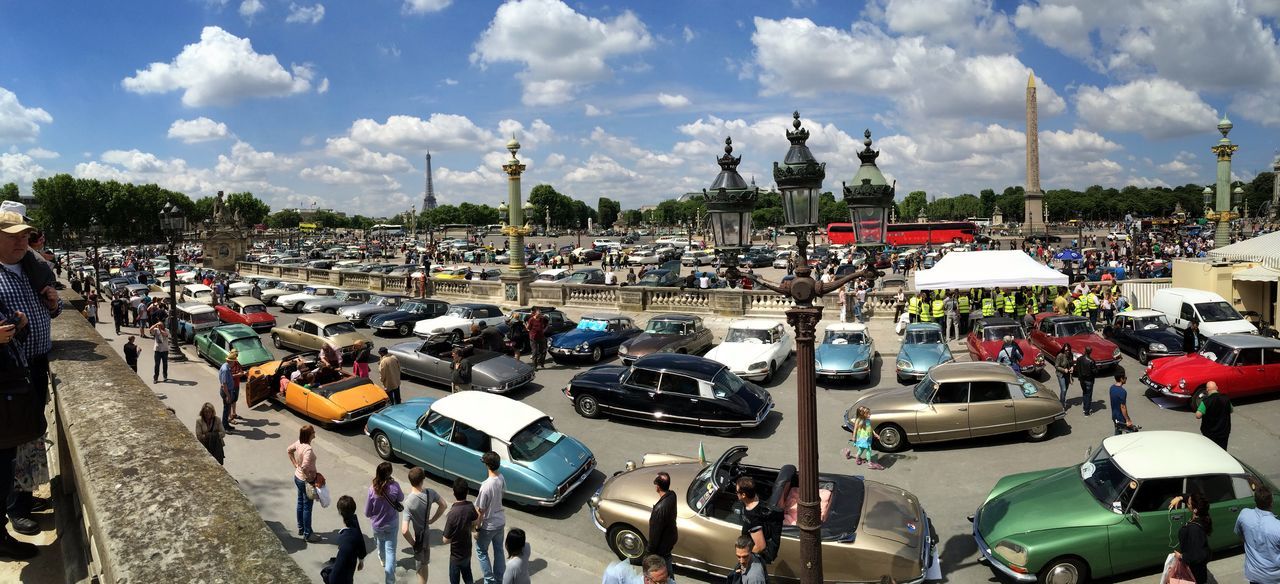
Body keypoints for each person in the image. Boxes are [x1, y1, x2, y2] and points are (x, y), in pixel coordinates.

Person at [403, 466, 446, 584]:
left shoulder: (408, 503)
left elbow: (404, 530)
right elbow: (443, 505)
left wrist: (413, 543)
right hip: (426, 534)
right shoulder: (430, 493)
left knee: (419, 564)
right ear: (422, 480)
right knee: (424, 564)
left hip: (418, 537)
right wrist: (432, 520)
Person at [365, 461, 405, 584]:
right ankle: (390, 580)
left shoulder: (372, 489)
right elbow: (401, 498)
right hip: (392, 523)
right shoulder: (395, 486)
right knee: (391, 551)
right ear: (390, 473)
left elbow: (367, 512)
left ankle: (382, 559)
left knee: (380, 542)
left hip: (377, 524)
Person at [1235, 483, 1280, 583]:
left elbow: (1240, 535)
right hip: (1274, 579)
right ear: (1271, 502)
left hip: (1254, 575)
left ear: (1255, 500)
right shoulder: (1277, 526)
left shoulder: (1244, 515)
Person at [1165, 492, 1213, 583]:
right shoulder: (1202, 518)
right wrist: (1180, 498)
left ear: (1195, 510)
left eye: (1188, 503)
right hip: (1195, 572)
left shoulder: (1194, 529)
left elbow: (1199, 555)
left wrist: (1182, 556)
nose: (1187, 502)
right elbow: (1190, 496)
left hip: (1194, 575)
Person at [475, 451, 507, 584]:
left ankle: (489, 580)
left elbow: (481, 510)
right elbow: (502, 495)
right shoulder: (501, 478)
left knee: (481, 551)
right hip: (500, 521)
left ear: (487, 465)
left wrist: (477, 528)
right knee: (499, 550)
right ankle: (499, 579)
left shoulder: (486, 485)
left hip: (489, 525)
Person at [735, 476, 781, 566]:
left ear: (744, 495)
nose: (736, 494)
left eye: (737, 492)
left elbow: (760, 546)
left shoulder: (753, 517)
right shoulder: (755, 497)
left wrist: (745, 560)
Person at [442, 476, 479, 584]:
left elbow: (445, 540)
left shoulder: (452, 513)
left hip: (456, 556)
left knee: (454, 579)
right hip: (467, 551)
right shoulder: (470, 506)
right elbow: (476, 520)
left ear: (454, 493)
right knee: (467, 573)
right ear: (467, 491)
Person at [287, 425, 320, 542]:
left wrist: (295, 465)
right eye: (313, 432)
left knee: (300, 502)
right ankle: (308, 533)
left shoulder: (299, 443)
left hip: (297, 477)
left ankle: (301, 527)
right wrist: (309, 478)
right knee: (307, 507)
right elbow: (305, 466)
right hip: (305, 480)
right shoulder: (308, 449)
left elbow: (289, 450)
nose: (314, 433)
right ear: (309, 435)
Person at [330, 495, 368, 584]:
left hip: (342, 576)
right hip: (351, 567)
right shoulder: (354, 522)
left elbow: (338, 566)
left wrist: (329, 578)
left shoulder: (346, 538)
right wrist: (361, 560)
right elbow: (361, 543)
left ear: (339, 511)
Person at [647, 472, 678, 574]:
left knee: (663, 572)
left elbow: (654, 535)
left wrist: (650, 552)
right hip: (670, 540)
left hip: (661, 548)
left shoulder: (659, 510)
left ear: (658, 487)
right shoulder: (672, 495)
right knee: (667, 563)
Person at [1196, 381, 1232, 450]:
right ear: (1217, 388)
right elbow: (1231, 410)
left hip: (1210, 433)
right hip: (1224, 432)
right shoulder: (1226, 399)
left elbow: (1198, 415)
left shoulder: (1206, 401)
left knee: (1211, 450)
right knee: (1222, 450)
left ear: (1207, 390)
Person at [845, 406, 884, 470]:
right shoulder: (859, 420)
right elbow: (855, 429)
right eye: (868, 413)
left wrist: (875, 434)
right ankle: (869, 463)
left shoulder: (868, 420)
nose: (870, 414)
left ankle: (851, 455)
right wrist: (854, 437)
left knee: (861, 449)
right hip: (863, 438)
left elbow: (870, 428)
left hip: (868, 437)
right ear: (863, 414)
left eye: (869, 413)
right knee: (868, 449)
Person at [600, 555, 672, 584]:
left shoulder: (668, 582)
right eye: (660, 583)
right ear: (647, 580)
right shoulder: (615, 573)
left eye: (665, 580)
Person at [218, 350, 244, 430]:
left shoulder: (226, 366)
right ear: (230, 361)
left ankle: (226, 425)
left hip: (228, 391)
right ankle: (225, 427)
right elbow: (224, 384)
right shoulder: (226, 370)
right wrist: (228, 395)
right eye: (234, 362)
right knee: (226, 410)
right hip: (226, 392)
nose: (234, 363)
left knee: (227, 408)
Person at [1075, 347, 1097, 416]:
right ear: (1090, 352)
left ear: (1085, 351)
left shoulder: (1079, 359)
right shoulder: (1091, 361)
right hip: (1089, 380)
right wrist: (1097, 369)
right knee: (1088, 395)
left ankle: (1085, 408)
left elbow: (1077, 368)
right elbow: (1095, 371)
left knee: (1084, 393)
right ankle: (1087, 412)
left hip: (1082, 380)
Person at [1054, 343, 1074, 409]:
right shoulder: (1060, 355)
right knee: (1064, 389)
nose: (1067, 351)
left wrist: (1072, 367)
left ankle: (1062, 401)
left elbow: (1071, 363)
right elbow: (1056, 366)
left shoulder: (1071, 354)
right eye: (1066, 350)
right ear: (1063, 350)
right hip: (1061, 374)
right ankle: (1062, 405)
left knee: (1066, 389)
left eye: (1068, 350)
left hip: (1067, 374)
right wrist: (1063, 370)